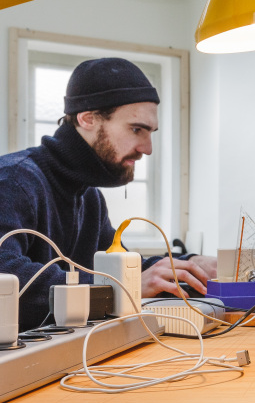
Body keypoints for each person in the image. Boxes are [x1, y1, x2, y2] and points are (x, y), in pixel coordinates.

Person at [0, 58, 216, 331]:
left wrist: (189, 265)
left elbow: (113, 267)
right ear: (87, 118)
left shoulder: (88, 197)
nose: (147, 148)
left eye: (151, 133)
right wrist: (124, 288)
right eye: (137, 129)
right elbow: (7, 278)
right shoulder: (13, 180)